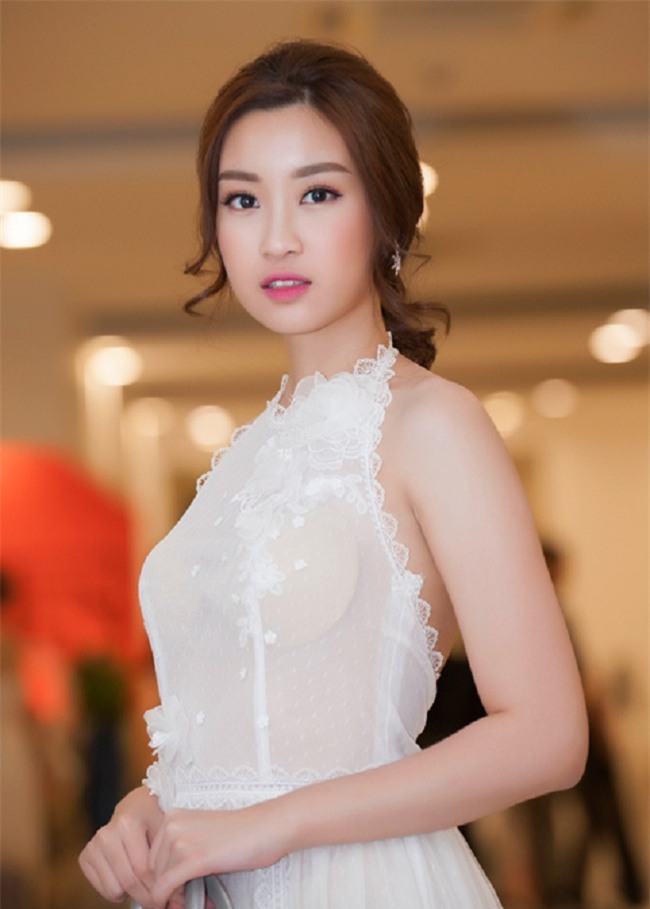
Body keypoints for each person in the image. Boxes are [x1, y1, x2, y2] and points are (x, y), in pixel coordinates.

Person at [78, 40, 588, 909]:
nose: (277, 236)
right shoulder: (241, 460)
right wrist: (148, 808)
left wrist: (271, 824)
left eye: (317, 193)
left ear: (386, 211)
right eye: (243, 199)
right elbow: (243, 726)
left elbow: (548, 735)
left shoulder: (432, 424)